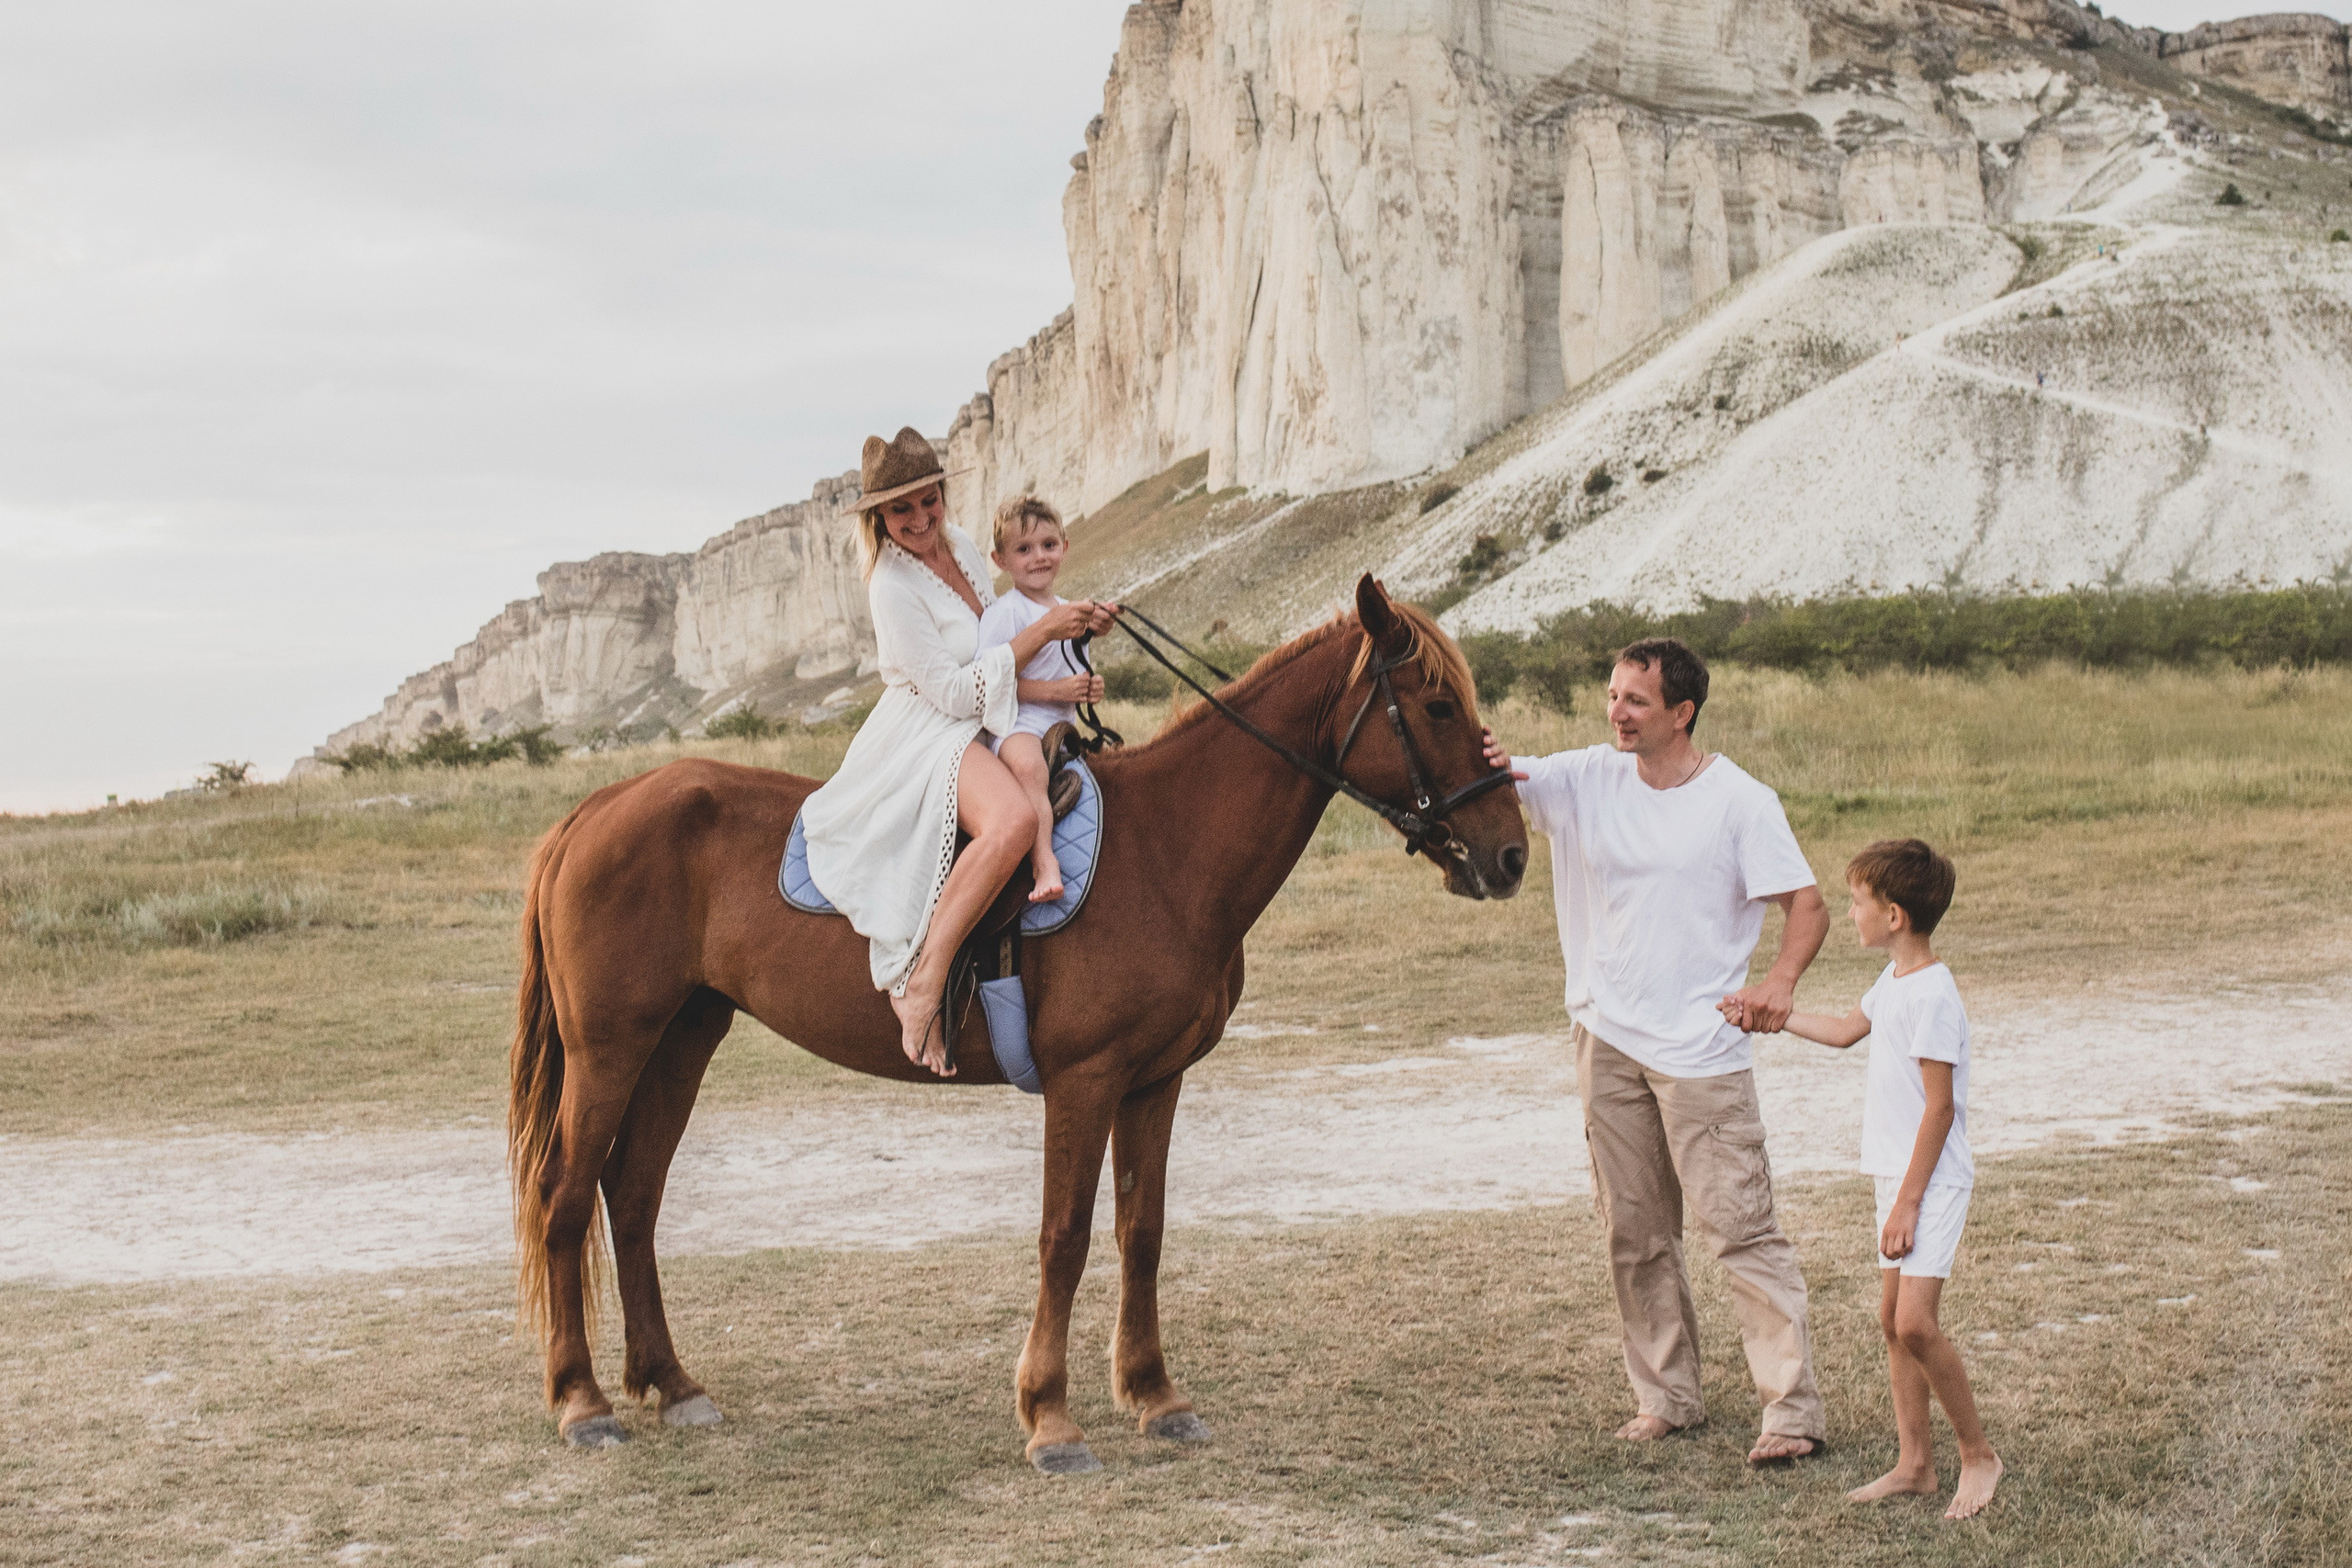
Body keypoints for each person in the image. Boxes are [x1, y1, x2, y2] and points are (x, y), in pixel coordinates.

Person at [1483, 638, 1832, 1465]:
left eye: (1636, 700)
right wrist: (1483, 751)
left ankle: (1790, 1412)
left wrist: (1779, 983)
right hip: (1605, 1039)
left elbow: (1807, 904)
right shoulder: (1582, 777)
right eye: (1612, 695)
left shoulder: (1741, 801)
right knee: (1633, 1232)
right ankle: (1666, 1396)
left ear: (1682, 712)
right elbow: (1492, 775)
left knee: (1741, 1230)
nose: (1617, 712)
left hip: (1703, 1051)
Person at [799, 429, 1114, 1073]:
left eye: (927, 501)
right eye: (900, 509)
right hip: (931, 723)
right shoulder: (890, 585)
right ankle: (924, 978)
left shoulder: (966, 545)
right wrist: (1045, 633)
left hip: (985, 707)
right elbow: (949, 687)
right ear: (878, 517)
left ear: (942, 494)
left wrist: (1068, 629)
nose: (919, 520)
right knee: (1013, 820)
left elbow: (1001, 632)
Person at [1767, 839, 2002, 1520]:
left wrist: (1907, 1200)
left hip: (1929, 1181)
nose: (1851, 912)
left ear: (1894, 914)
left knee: (1916, 1323)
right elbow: (1845, 1030)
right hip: (1896, 1177)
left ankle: (1978, 1453)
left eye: (1859, 901)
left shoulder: (1934, 995)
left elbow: (1941, 1106)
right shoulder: (1894, 982)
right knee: (1891, 1321)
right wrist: (1772, 1017)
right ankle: (1914, 1464)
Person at [977, 495, 1104, 904]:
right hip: (1018, 721)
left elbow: (1073, 665)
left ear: (1064, 547)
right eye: (1023, 549)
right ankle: (1043, 860)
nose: (1038, 558)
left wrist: (1087, 687)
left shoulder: (1070, 610)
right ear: (1001, 561)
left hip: (1060, 725)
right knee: (1030, 770)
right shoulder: (1005, 613)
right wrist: (1056, 692)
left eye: (1048, 545)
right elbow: (992, 681)